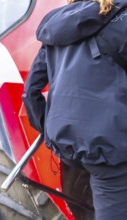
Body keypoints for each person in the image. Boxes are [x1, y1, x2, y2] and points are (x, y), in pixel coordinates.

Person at [22, 0, 127, 219]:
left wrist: (49, 132)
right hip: (110, 146)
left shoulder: (55, 27)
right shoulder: (122, 17)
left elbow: (31, 91)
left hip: (70, 147)